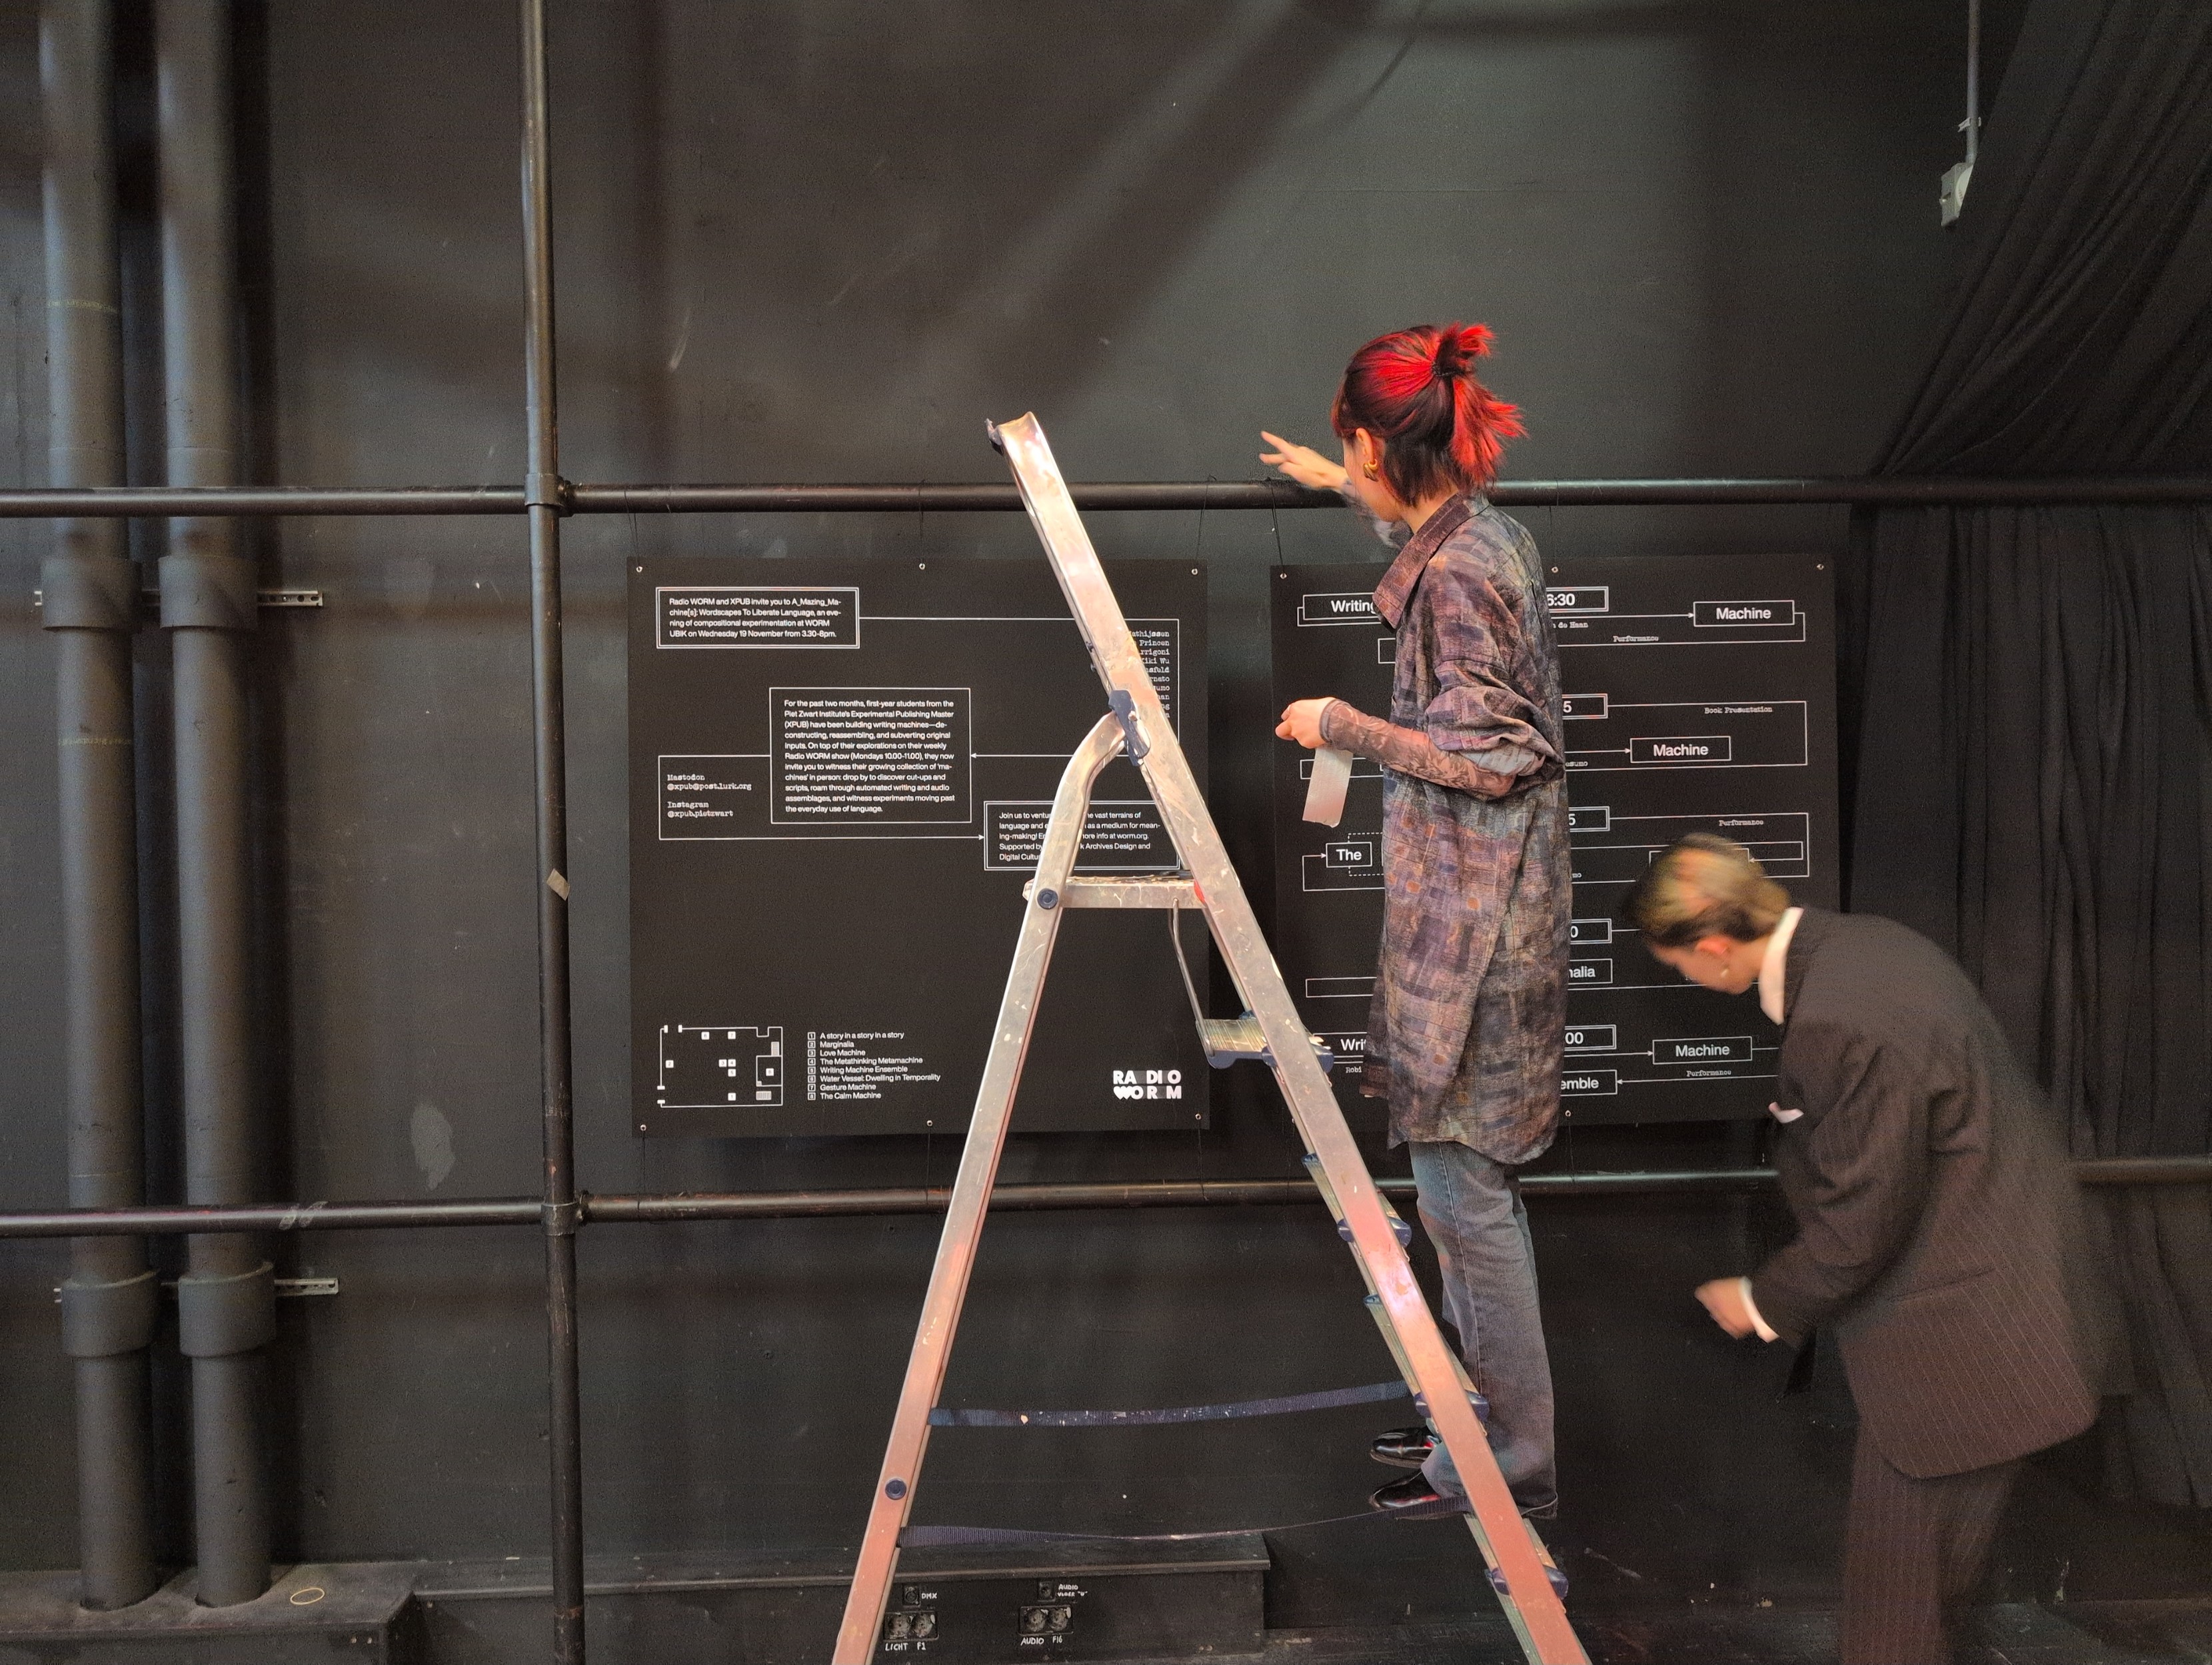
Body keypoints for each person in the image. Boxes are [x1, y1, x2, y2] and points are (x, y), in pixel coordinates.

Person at [1623, 834, 2115, 1665]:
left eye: (1675, 965)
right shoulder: (1873, 947)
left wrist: (1762, 1300)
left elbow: (1863, 1218)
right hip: (2005, 1314)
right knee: (1919, 1603)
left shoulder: (1837, 1017)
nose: (1684, 979)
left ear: (1711, 948)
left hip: (1958, 1346)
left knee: (1892, 1623)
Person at [1262, 322, 1570, 1520]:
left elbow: (1497, 751)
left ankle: (1509, 1454)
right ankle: (1480, 1417)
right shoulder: (1478, 531)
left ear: (1375, 444)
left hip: (1477, 934)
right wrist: (1330, 477)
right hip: (1486, 914)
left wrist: (1337, 724)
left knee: (1462, 1199)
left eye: (1349, 450)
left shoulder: (1456, 572)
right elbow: (1426, 531)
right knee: (1458, 1194)